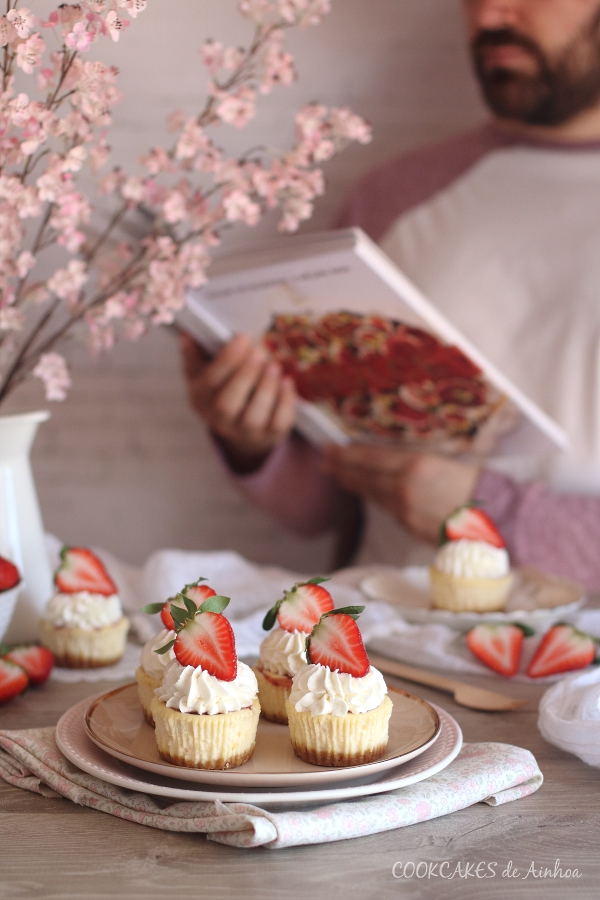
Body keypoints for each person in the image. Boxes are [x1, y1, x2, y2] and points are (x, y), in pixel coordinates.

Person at [182, 0, 600, 590]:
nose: (488, 18)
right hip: (385, 650)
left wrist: (485, 512)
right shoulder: (394, 197)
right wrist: (255, 438)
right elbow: (323, 505)